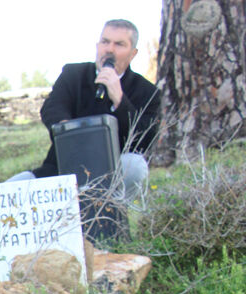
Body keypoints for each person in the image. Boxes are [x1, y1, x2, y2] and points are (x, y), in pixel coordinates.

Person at [9, 19, 159, 200]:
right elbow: (52, 108)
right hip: (61, 171)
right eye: (105, 42)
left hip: (110, 174)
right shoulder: (73, 74)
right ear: (98, 46)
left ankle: (109, 218)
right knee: (8, 192)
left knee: (135, 165)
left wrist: (119, 99)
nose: (109, 49)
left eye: (119, 44)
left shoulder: (147, 92)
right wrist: (70, 132)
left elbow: (144, 138)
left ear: (132, 54)